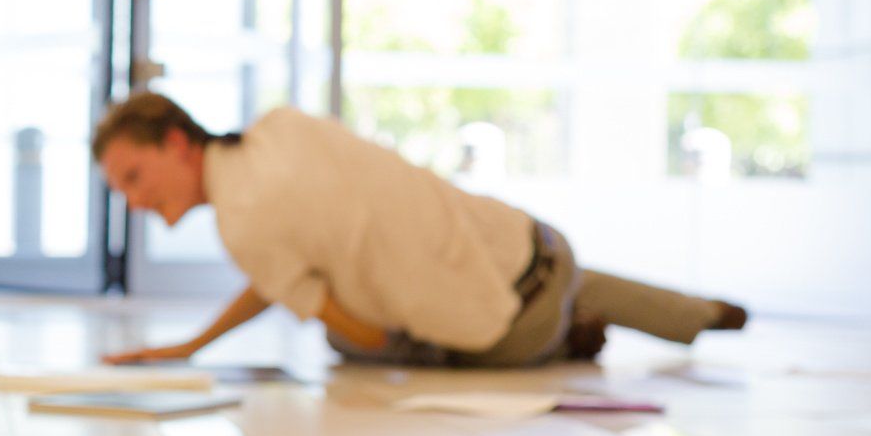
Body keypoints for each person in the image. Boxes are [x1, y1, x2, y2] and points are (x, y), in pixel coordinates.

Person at [91, 92, 746, 368]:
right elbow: (278, 275)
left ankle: (567, 341)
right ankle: (697, 314)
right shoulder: (281, 127)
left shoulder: (242, 228)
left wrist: (381, 334)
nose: (134, 202)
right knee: (552, 274)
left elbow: (357, 325)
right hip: (539, 244)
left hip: (511, 336)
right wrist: (194, 345)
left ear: (177, 144)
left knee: (350, 348)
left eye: (134, 178)